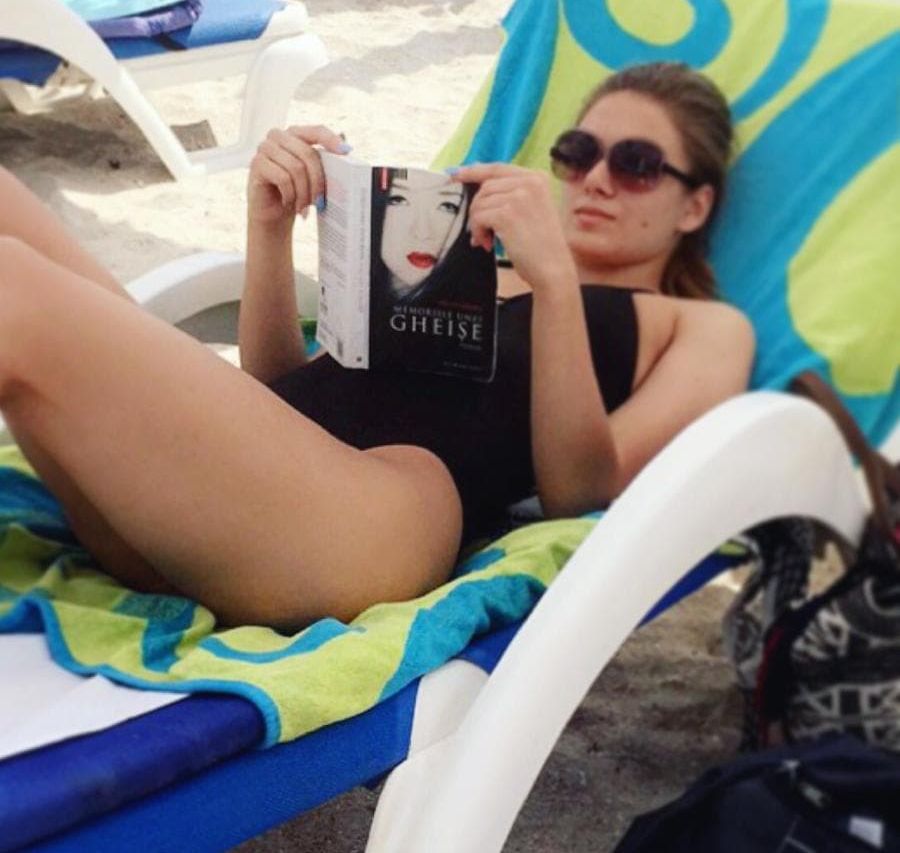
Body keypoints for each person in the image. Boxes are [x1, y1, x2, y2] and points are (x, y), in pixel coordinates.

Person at [0, 61, 754, 630]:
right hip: (236, 501)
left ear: (695, 204)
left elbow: (583, 494)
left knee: (14, 286)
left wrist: (556, 285)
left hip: (373, 524)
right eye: (580, 152)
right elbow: (282, 394)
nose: (597, 180)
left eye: (636, 165)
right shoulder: (469, 258)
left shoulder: (701, 327)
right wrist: (270, 228)